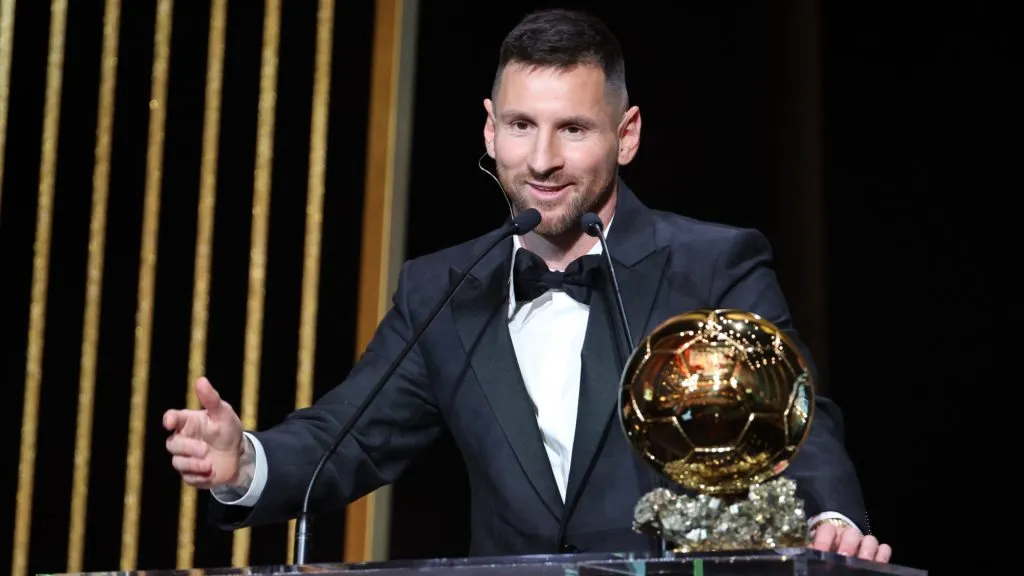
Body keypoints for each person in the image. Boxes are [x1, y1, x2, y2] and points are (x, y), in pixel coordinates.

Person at [164, 8, 891, 563]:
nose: (541, 159)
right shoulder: (442, 290)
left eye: (573, 129)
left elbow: (796, 414)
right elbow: (344, 439)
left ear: (626, 134)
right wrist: (244, 461)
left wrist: (833, 520)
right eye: (521, 125)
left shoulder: (711, 263)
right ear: (489, 131)